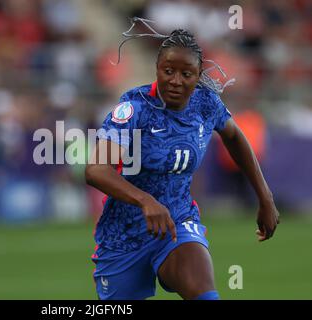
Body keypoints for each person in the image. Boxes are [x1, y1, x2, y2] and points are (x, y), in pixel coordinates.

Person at [85, 19, 280, 300]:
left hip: (178, 222)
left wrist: (265, 196)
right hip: (124, 234)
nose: (176, 80)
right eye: (168, 71)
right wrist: (145, 201)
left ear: (198, 74)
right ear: (157, 69)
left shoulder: (206, 104)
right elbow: (96, 171)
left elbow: (235, 137)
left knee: (204, 293)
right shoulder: (134, 110)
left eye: (186, 73)